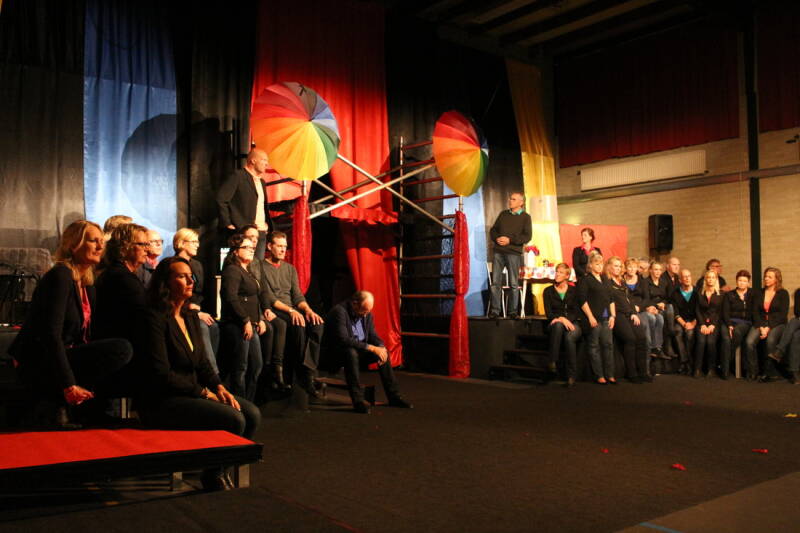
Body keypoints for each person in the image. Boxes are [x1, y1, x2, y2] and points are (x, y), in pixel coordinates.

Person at [139, 256, 260, 491]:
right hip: (164, 399)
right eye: (182, 276)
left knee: (252, 414)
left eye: (191, 276)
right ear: (165, 283)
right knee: (234, 418)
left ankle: (219, 467)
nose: (190, 281)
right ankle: (213, 473)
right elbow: (161, 373)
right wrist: (204, 393)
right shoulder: (154, 318)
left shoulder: (190, 316)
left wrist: (219, 387)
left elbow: (203, 362)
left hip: (192, 391)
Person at [9, 220, 133, 424]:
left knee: (123, 349)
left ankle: (89, 409)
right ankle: (59, 400)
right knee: (120, 349)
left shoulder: (87, 283)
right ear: (74, 245)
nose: (100, 247)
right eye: (93, 241)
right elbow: (51, 335)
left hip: (64, 354)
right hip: (38, 360)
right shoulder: (60, 276)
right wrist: (68, 384)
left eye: (102, 242)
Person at [322, 291, 412, 414]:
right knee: (351, 353)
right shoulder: (339, 312)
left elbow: (373, 336)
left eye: (368, 311)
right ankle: (358, 401)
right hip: (338, 355)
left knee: (382, 353)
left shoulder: (367, 314)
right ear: (354, 304)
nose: (366, 314)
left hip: (359, 351)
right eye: (364, 311)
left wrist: (380, 347)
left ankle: (394, 396)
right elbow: (343, 340)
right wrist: (371, 347)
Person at [262, 231, 324, 399]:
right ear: (269, 246)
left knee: (317, 324)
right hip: (276, 309)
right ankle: (303, 376)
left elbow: (297, 296)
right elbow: (270, 298)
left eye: (285, 246)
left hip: (292, 308)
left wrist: (308, 310)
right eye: (279, 246)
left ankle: (308, 370)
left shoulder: (290, 269)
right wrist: (291, 311)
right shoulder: (261, 267)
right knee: (297, 324)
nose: (283, 250)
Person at [94, 223, 150, 386]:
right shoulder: (121, 278)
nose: (147, 249)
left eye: (147, 244)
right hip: (121, 351)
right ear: (124, 248)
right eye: (142, 244)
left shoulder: (122, 274)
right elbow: (144, 316)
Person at [219, 234, 269, 401]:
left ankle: (249, 401)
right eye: (246, 247)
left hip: (251, 324)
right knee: (240, 367)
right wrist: (245, 320)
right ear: (235, 251)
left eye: (252, 247)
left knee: (256, 365)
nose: (251, 250)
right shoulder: (232, 270)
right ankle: (239, 403)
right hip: (237, 325)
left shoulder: (248, 271)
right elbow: (231, 298)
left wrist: (260, 319)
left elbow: (255, 298)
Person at [239, 225, 288, 394]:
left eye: (256, 237)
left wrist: (266, 308)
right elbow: (240, 297)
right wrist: (258, 317)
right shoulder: (235, 266)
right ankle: (265, 376)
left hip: (259, 310)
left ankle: (275, 372)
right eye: (250, 237)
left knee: (280, 325)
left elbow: (262, 290)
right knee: (271, 328)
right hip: (247, 313)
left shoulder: (256, 262)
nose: (254, 241)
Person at [173, 228, 220, 373]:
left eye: (197, 241)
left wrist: (199, 309)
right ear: (181, 243)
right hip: (181, 310)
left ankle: (208, 370)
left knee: (214, 327)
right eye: (193, 241)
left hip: (197, 308)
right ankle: (212, 373)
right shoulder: (173, 265)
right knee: (202, 327)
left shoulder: (197, 265)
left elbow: (200, 292)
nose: (197, 245)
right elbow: (172, 294)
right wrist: (192, 309)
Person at [216, 148, 273, 260]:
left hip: (260, 232)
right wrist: (227, 223)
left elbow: (261, 206)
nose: (266, 164)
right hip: (243, 231)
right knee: (240, 263)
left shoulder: (262, 182)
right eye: (264, 160)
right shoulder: (238, 176)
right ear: (253, 160)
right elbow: (221, 199)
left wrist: (266, 224)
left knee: (257, 266)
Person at [488, 192, 531, 319]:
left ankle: (513, 312)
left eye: (513, 199)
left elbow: (527, 236)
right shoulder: (503, 214)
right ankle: (495, 311)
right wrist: (497, 238)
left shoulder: (525, 217)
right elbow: (493, 230)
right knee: (496, 282)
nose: (510, 201)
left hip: (513, 253)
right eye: (510, 199)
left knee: (513, 283)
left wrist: (510, 240)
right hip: (499, 251)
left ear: (521, 202)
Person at [607, 257, 650, 383]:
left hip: (629, 313)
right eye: (615, 266)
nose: (618, 268)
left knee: (642, 337)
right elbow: (612, 302)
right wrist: (614, 315)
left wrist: (634, 313)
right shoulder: (607, 282)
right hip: (618, 314)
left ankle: (643, 372)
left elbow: (629, 300)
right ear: (609, 267)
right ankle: (632, 373)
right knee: (630, 339)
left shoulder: (622, 281)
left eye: (619, 266)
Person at [577, 252, 616, 385]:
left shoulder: (605, 279)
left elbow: (611, 299)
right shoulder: (586, 279)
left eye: (601, 264)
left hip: (606, 317)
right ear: (591, 265)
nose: (599, 266)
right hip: (594, 318)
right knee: (594, 346)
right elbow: (582, 300)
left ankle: (610, 374)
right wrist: (590, 317)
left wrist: (613, 316)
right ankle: (599, 375)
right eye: (597, 264)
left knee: (608, 345)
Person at [744, 267, 789, 382]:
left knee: (770, 340)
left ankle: (769, 372)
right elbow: (755, 312)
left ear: (776, 279)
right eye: (765, 276)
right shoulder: (759, 292)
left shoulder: (783, 293)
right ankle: (753, 371)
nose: (766, 279)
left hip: (777, 323)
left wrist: (769, 327)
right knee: (749, 342)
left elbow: (782, 314)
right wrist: (761, 327)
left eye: (770, 277)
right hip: (760, 323)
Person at [543, 263, 582, 387]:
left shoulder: (574, 291)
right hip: (555, 323)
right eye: (557, 272)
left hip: (573, 322)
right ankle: (552, 362)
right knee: (558, 325)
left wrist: (567, 320)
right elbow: (549, 313)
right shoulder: (548, 291)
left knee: (570, 337)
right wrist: (561, 319)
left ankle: (571, 376)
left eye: (561, 272)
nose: (557, 274)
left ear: (567, 276)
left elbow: (576, 311)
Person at [623, 257, 663, 359]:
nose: (632, 269)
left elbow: (646, 298)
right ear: (625, 268)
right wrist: (633, 308)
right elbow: (622, 298)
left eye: (634, 267)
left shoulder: (642, 281)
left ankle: (653, 350)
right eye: (629, 267)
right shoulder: (621, 280)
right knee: (649, 320)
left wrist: (640, 307)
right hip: (628, 310)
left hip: (640, 309)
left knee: (654, 321)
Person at [720, 270, 753, 380]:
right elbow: (725, 312)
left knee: (737, 332)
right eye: (740, 280)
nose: (742, 283)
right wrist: (729, 325)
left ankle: (724, 363)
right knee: (726, 339)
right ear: (736, 281)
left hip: (745, 323)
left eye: (744, 281)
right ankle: (725, 372)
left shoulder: (752, 294)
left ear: (748, 282)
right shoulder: (729, 295)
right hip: (728, 322)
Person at [694, 270, 723, 378]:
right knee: (701, 341)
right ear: (705, 279)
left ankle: (711, 369)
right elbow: (697, 310)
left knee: (710, 342)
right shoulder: (699, 293)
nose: (710, 279)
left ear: (716, 279)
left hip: (714, 324)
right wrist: (702, 324)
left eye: (713, 277)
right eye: (708, 277)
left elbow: (720, 312)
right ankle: (697, 369)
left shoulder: (721, 294)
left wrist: (713, 324)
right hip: (701, 323)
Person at [767, 288, 800, 384]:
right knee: (795, 335)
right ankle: (795, 374)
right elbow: (797, 311)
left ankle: (779, 351)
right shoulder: (799, 292)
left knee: (794, 323)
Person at [670, 269, 698, 375]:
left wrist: (693, 323)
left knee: (690, 334)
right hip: (681, 321)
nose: (687, 278)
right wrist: (684, 324)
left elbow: (700, 311)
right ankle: (684, 361)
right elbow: (676, 313)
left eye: (689, 276)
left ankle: (690, 362)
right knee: (677, 332)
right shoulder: (675, 293)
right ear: (680, 280)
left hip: (695, 320)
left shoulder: (697, 292)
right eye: (684, 277)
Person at [645, 261, 673, 358]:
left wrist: (663, 303)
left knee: (669, 308)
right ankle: (656, 347)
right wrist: (656, 305)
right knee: (659, 318)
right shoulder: (645, 282)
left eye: (660, 270)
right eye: (656, 269)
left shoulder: (663, 282)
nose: (658, 272)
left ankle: (670, 331)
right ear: (650, 270)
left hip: (662, 307)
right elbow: (646, 299)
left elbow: (667, 298)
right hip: (650, 307)